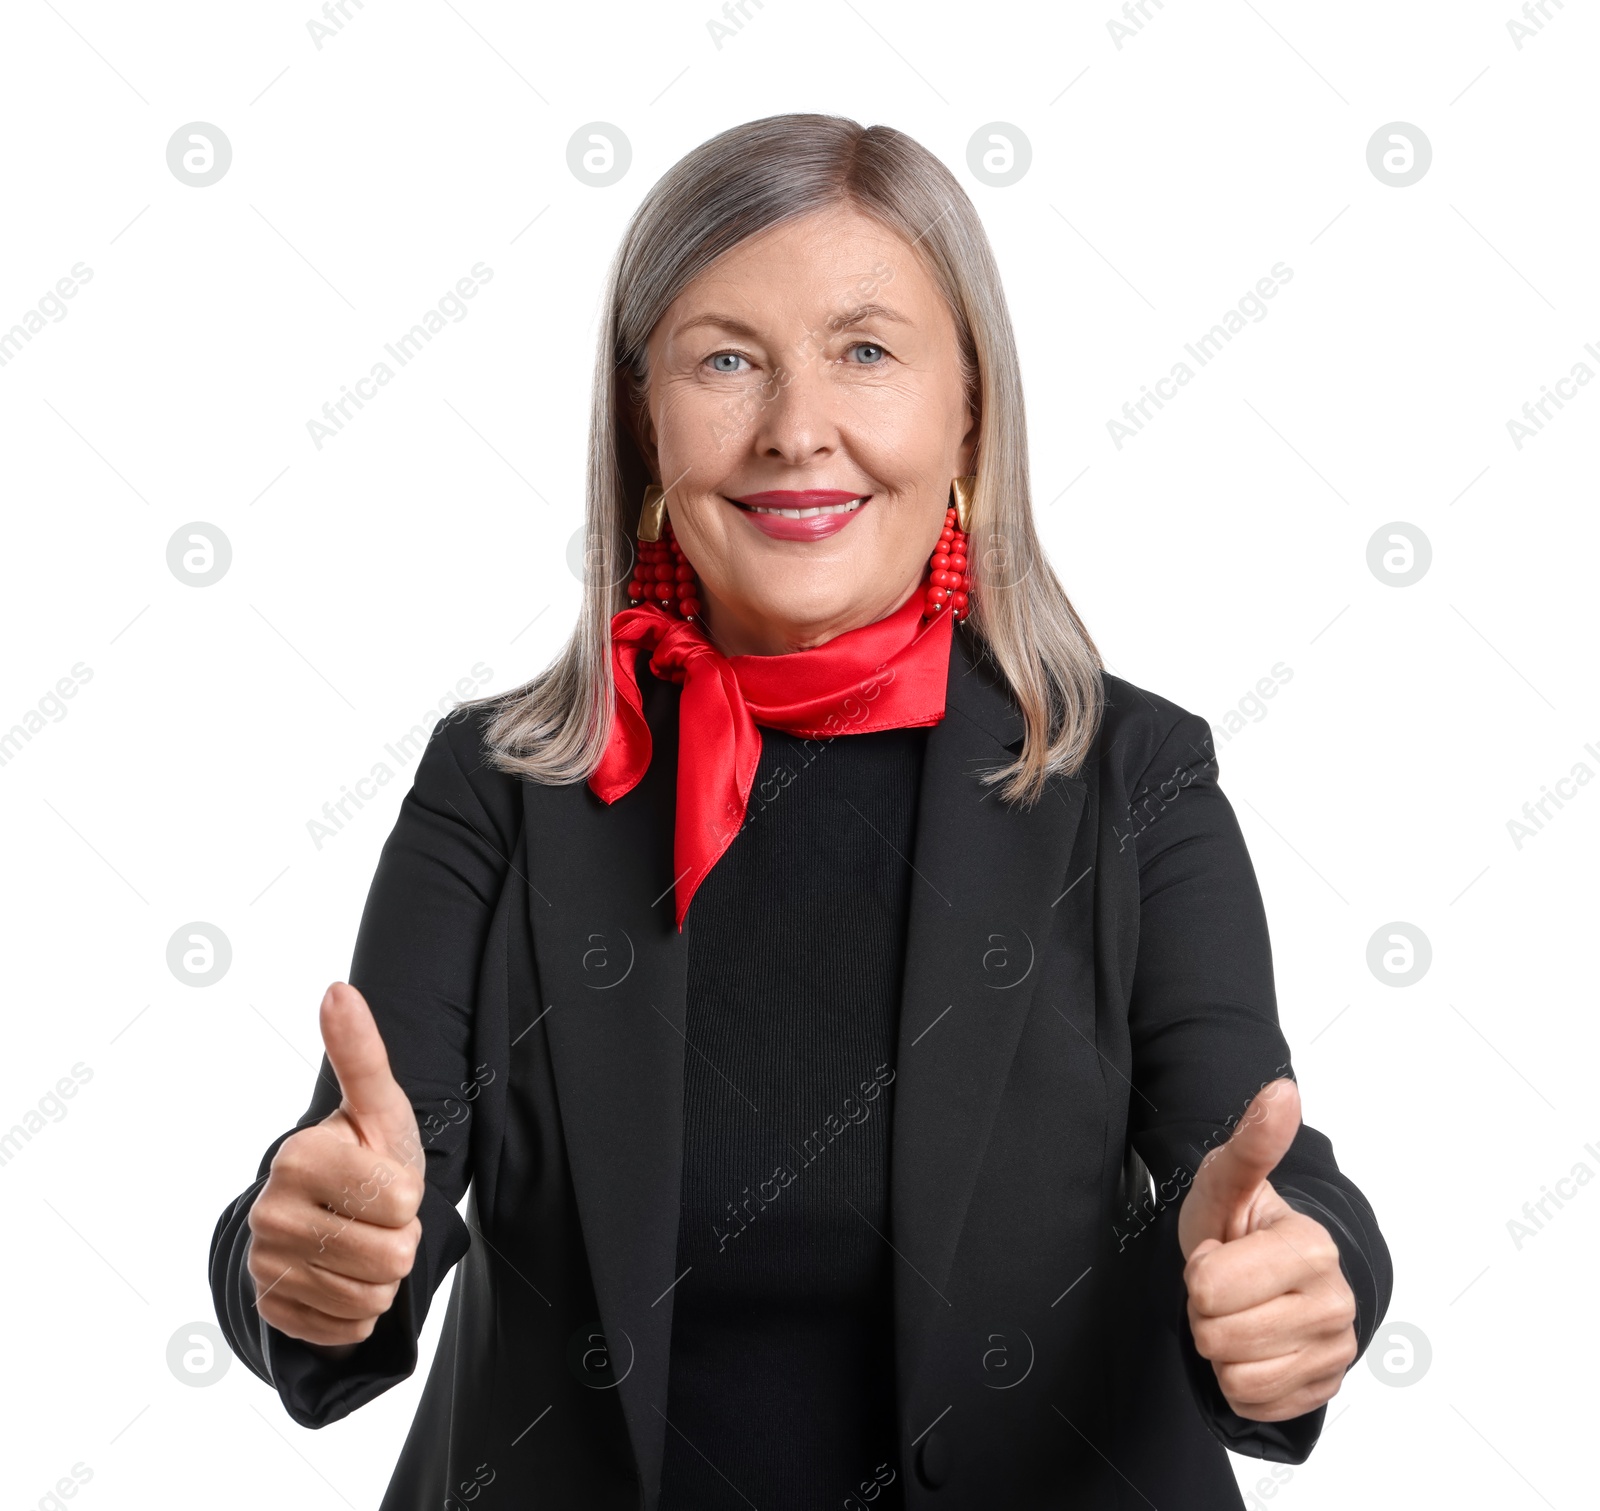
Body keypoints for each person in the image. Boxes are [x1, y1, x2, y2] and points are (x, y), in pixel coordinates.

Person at [210, 113, 1391, 1511]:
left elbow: (1257, 1164)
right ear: (644, 416)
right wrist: (308, 1265)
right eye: (725, 360)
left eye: (867, 352)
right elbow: (354, 1188)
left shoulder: (1132, 773)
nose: (794, 431)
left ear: (970, 408)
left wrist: (1297, 1273)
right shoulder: (501, 785)